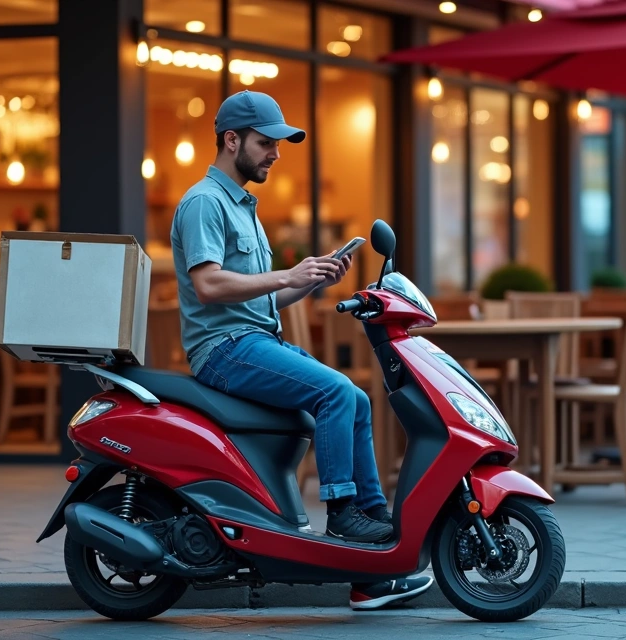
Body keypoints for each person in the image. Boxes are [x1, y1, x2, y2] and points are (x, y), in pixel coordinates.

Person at [169, 90, 432, 611]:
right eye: (265, 143)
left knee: (355, 398)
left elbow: (263, 296)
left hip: (254, 339)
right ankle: (342, 513)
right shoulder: (204, 202)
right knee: (335, 392)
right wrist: (288, 274)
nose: (274, 154)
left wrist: (311, 280)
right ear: (231, 140)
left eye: (277, 145)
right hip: (224, 349)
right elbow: (209, 285)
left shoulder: (243, 207)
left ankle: (371, 519)